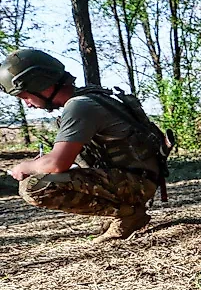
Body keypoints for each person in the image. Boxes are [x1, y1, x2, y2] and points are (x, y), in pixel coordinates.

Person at [1, 49, 171, 242]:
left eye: (25, 96)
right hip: (137, 179)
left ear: (40, 84)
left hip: (135, 184)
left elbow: (57, 164)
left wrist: (24, 167)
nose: (28, 104)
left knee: (34, 186)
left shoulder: (79, 106)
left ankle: (129, 214)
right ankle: (124, 212)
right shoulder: (91, 98)